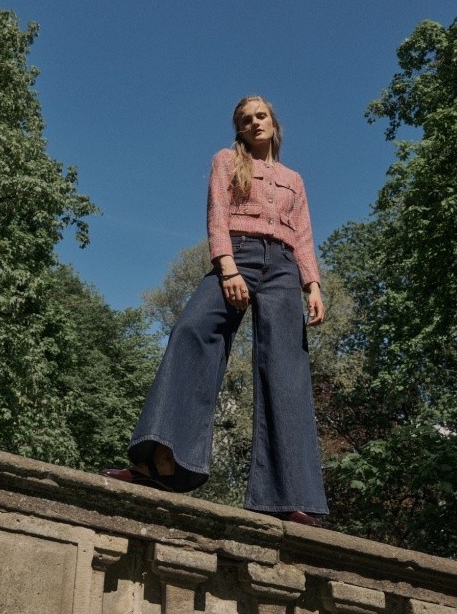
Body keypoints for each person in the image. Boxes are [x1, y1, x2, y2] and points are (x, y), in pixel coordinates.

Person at [101, 96, 329, 526]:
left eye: (261, 115)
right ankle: (161, 461)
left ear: (273, 123)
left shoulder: (294, 180)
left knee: (286, 368)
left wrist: (312, 285)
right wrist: (227, 268)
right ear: (239, 129)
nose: (254, 122)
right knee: (191, 331)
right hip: (238, 254)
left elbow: (303, 235)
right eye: (246, 119)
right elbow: (217, 215)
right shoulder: (227, 161)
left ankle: (290, 497)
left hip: (283, 268)